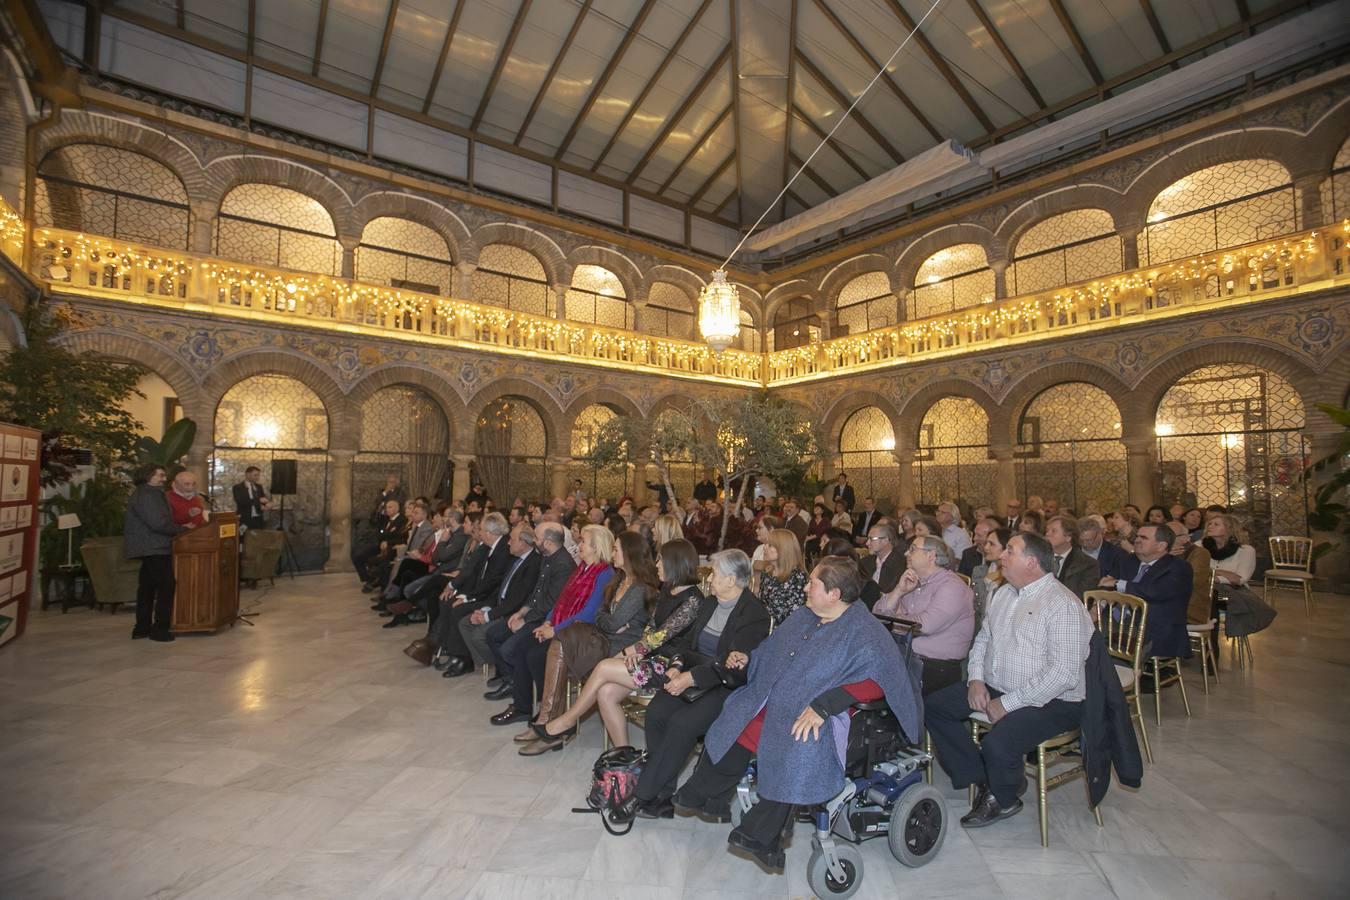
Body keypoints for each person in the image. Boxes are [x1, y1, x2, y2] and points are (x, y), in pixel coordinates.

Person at [669, 556, 919, 868]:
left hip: (832, 712)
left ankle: (763, 835)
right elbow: (771, 651)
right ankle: (709, 793)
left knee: (799, 739)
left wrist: (823, 706)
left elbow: (879, 681)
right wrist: (747, 660)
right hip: (782, 699)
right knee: (739, 711)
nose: (804, 588)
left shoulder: (863, 631)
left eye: (812, 583)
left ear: (834, 594)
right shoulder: (805, 616)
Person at [926, 533, 1094, 828]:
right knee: (934, 707)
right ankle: (983, 778)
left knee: (997, 743)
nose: (1001, 556)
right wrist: (976, 679)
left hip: (1054, 700)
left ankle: (1003, 798)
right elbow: (983, 639)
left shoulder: (1062, 604)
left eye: (1010, 551)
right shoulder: (1004, 593)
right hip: (997, 684)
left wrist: (1008, 703)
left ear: (1031, 562)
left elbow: (1063, 674)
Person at [625, 549, 770, 817]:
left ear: (731, 579)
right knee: (657, 712)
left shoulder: (754, 614)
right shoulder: (710, 603)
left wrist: (689, 677)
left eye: (715, 573)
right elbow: (687, 644)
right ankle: (663, 795)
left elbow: (732, 665)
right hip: (693, 675)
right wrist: (677, 666)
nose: (709, 578)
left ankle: (643, 795)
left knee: (683, 724)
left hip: (726, 686)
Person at [533, 540, 705, 748]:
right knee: (605, 693)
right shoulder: (668, 589)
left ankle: (568, 720)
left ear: (675, 563)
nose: (657, 564)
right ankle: (623, 753)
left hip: (673, 665)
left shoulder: (693, 600)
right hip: (651, 657)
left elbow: (661, 635)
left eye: (661, 560)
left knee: (604, 666)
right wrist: (638, 652)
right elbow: (651, 627)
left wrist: (631, 650)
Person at [518, 531, 658, 755]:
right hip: (603, 639)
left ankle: (557, 723)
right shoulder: (619, 579)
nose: (612, 552)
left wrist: (608, 621)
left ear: (629, 554)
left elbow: (608, 622)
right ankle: (552, 721)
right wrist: (608, 621)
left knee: (562, 641)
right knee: (561, 640)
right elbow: (603, 617)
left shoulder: (639, 587)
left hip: (619, 649)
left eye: (616, 549)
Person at [489, 524, 615, 727]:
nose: (578, 544)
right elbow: (561, 601)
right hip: (560, 625)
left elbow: (588, 614)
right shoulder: (581, 568)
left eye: (583, 541)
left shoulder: (604, 574)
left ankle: (549, 712)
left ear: (596, 547)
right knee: (521, 648)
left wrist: (554, 629)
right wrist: (548, 620)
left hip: (580, 634)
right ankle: (522, 707)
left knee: (534, 655)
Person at [480, 522, 577, 697]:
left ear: (547, 542)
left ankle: (523, 688)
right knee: (493, 634)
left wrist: (525, 621)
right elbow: (536, 592)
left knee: (510, 649)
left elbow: (551, 603)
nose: (533, 541)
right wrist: (521, 612)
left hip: (546, 619)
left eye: (537, 538)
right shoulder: (547, 556)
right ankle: (512, 680)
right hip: (534, 614)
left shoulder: (563, 564)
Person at [876, 536, 975, 695]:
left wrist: (894, 620)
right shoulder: (914, 582)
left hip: (935, 667)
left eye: (913, 549)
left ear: (931, 556)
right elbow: (878, 615)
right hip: (907, 658)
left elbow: (923, 626)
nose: (906, 553)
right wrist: (899, 591)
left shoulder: (952, 587)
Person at [440, 523, 540, 671]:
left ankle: (504, 669)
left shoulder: (533, 563)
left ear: (523, 543)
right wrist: (486, 608)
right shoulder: (515, 558)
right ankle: (492, 665)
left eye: (512, 539)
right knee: (464, 623)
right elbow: (500, 590)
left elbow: (517, 600)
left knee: (480, 635)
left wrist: (488, 616)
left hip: (514, 613)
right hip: (498, 605)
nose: (508, 542)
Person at [425, 512, 514, 665]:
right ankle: (446, 646)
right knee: (448, 601)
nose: (479, 533)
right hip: (481, 591)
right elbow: (471, 571)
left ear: (489, 532)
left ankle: (463, 658)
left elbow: (492, 582)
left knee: (458, 609)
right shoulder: (489, 546)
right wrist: (460, 592)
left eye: (481, 530)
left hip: (492, 597)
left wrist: (467, 597)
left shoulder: (503, 550)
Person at [1099, 523, 1193, 661]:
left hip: (1155, 629)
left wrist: (1118, 583)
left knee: (1106, 648)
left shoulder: (1178, 567)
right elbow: (1105, 584)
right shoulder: (1128, 561)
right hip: (1119, 623)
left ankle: (1120, 676)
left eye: (1143, 537)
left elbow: (1154, 592)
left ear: (1161, 546)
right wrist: (1098, 607)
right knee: (1086, 635)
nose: (1137, 540)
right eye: (1137, 536)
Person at [124, 463, 195, 642]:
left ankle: (142, 628)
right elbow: (157, 523)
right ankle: (160, 629)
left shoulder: (149, 493)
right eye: (160, 475)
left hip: (151, 546)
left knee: (147, 588)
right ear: (149, 476)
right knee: (166, 586)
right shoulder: (147, 494)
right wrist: (182, 528)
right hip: (153, 546)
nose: (164, 478)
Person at [756, 528, 808, 626]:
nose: (764, 547)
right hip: (763, 625)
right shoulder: (767, 572)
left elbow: (793, 617)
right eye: (766, 544)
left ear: (783, 549)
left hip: (785, 630)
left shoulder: (798, 578)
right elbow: (761, 603)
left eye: (770, 545)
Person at [1045, 515, 1099, 600]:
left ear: (1068, 537)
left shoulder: (1088, 564)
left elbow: (1082, 597)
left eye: (1053, 531)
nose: (1048, 534)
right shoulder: (1038, 558)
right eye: (1047, 531)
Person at [970, 527, 1010, 627]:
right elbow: (975, 607)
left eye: (992, 544)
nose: (986, 548)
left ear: (1006, 548)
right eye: (986, 543)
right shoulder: (979, 571)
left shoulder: (1012, 578)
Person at [1203, 513, 1256, 588]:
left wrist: (1213, 574)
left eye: (1216, 524)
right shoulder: (1200, 546)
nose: (1210, 526)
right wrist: (1227, 574)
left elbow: (1240, 579)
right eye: (1209, 524)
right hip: (1204, 588)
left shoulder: (1246, 550)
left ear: (1229, 528)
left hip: (1234, 590)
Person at [859, 521, 905, 594]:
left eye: (871, 539)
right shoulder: (865, 562)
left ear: (885, 540)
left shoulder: (901, 565)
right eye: (868, 539)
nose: (867, 543)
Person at [232, 465, 269, 530]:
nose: (257, 477)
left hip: (258, 519)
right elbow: (241, 501)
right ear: (247, 474)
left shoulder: (259, 487)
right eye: (255, 475)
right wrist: (259, 500)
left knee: (258, 538)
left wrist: (266, 505)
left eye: (258, 475)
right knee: (243, 538)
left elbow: (263, 500)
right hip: (245, 519)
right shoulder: (238, 487)